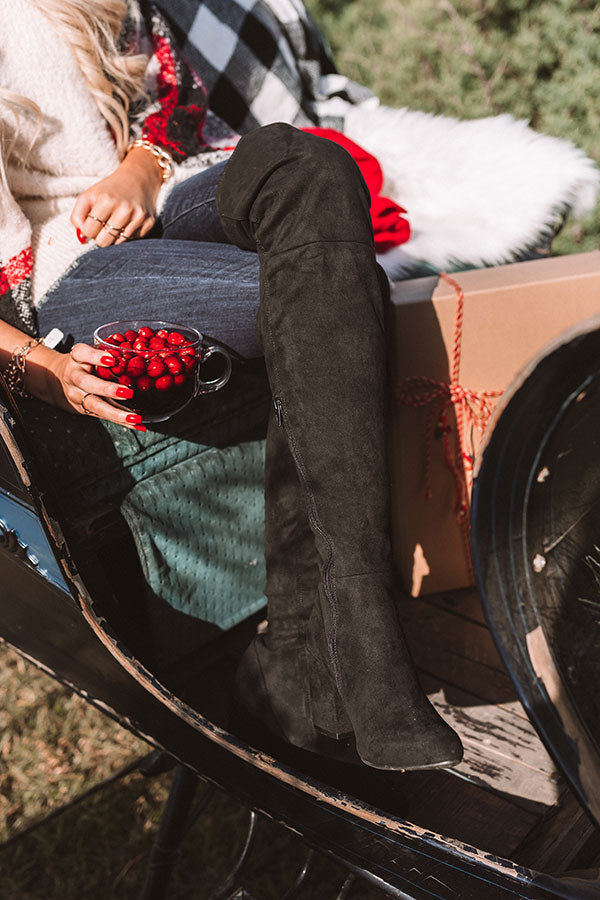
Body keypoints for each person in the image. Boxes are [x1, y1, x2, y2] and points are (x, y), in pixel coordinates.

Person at [0, 0, 463, 771]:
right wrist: (39, 369)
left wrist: (140, 169)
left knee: (306, 163)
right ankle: (352, 643)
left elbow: (170, 125)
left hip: (159, 206)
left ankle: (307, 650)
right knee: (323, 297)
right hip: (58, 272)